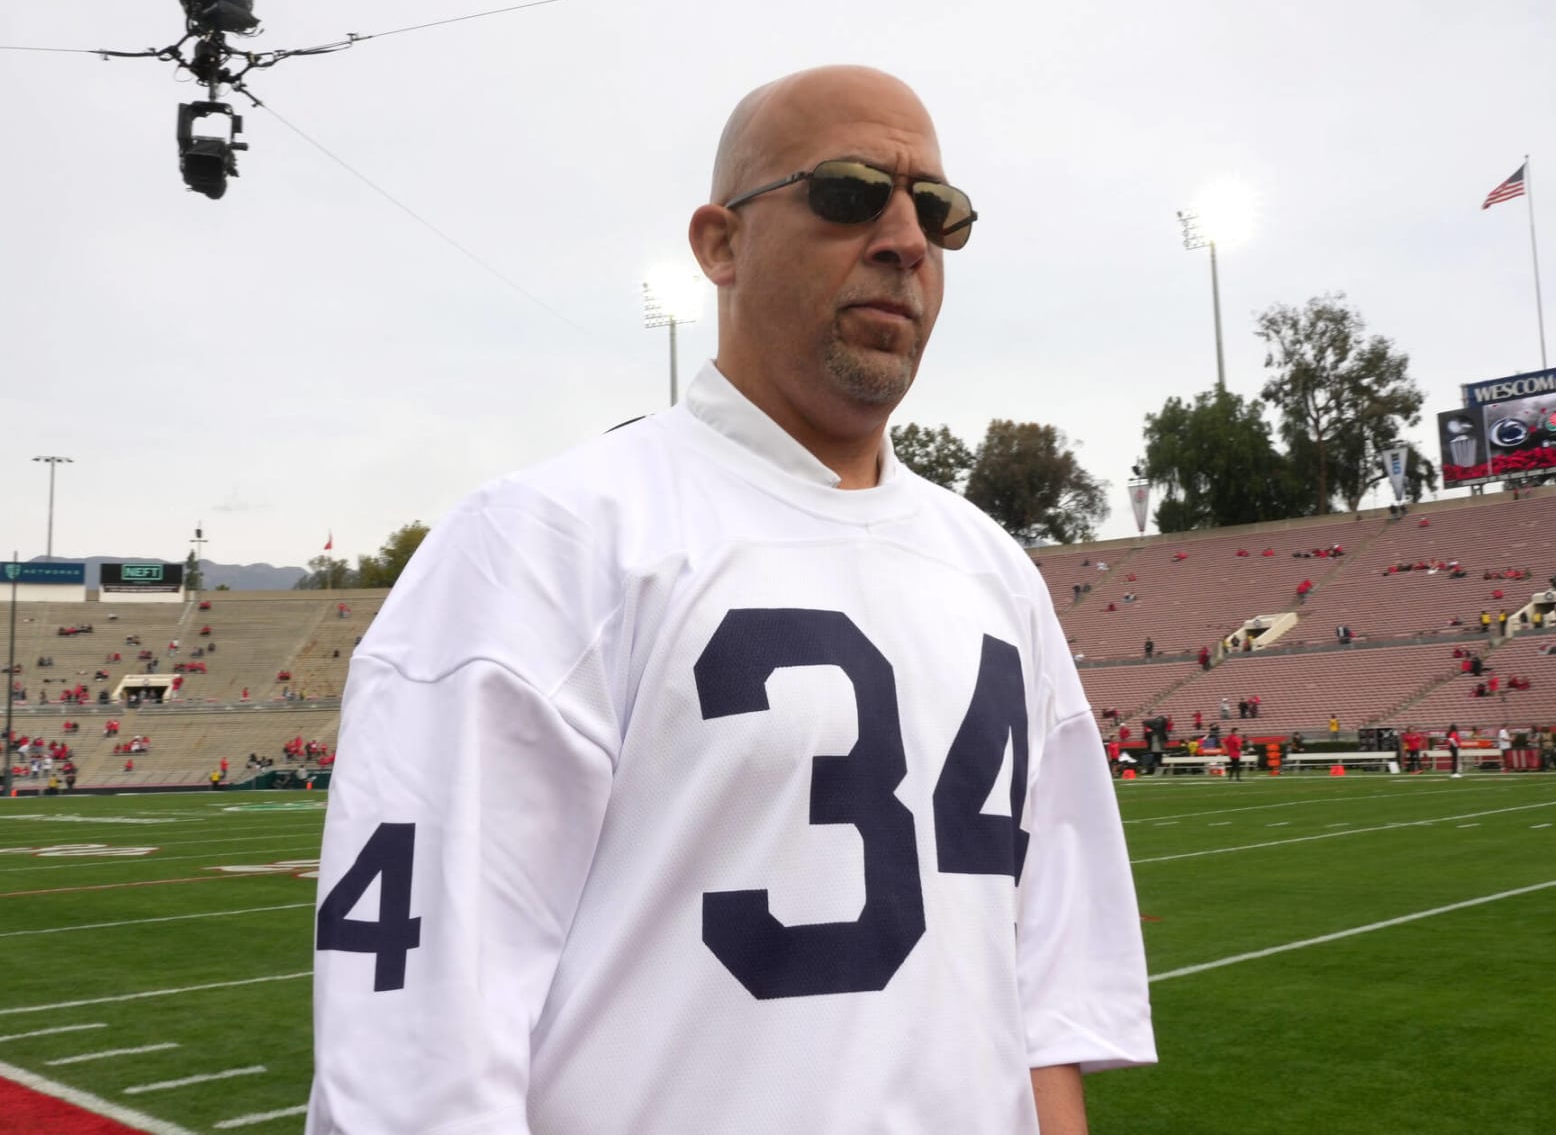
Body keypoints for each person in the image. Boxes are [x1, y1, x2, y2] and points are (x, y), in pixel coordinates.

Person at [307, 66, 1154, 1135]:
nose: (905, 238)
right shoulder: (545, 543)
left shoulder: (995, 574)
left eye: (938, 213)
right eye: (849, 192)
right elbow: (415, 1066)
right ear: (719, 244)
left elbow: (1045, 1006)